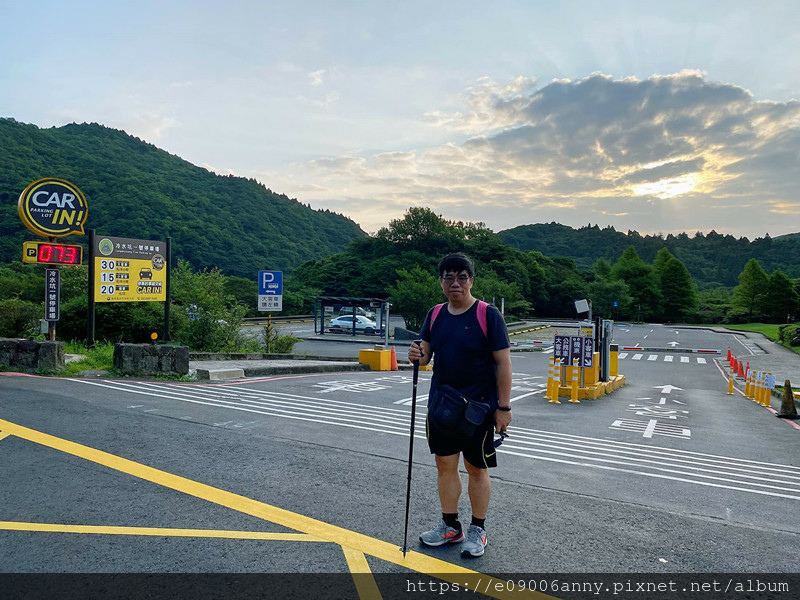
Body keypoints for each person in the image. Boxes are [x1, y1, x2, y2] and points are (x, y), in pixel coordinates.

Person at [408, 252, 512, 558]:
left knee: (476, 468)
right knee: (444, 465)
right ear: (441, 282)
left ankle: (478, 528)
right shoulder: (435, 314)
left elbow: (503, 363)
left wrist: (504, 408)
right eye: (449, 277)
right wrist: (416, 355)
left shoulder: (487, 314)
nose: (455, 283)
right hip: (442, 406)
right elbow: (425, 355)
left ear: (471, 281)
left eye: (462, 277)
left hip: (478, 409)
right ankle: (451, 526)